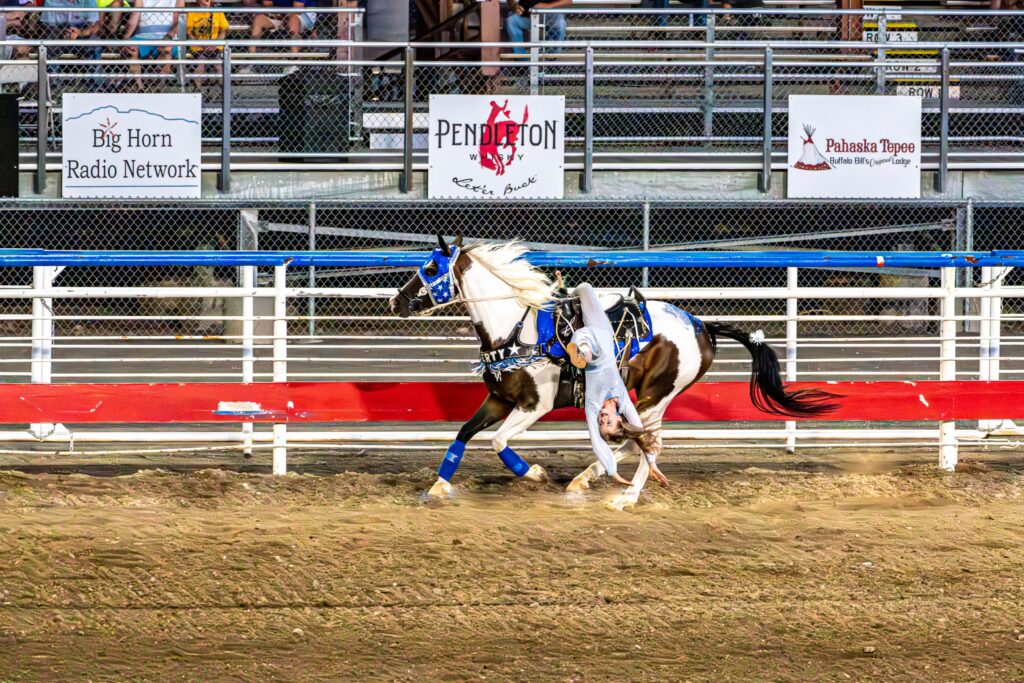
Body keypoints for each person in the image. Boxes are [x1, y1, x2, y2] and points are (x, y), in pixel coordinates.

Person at [565, 282, 665, 487]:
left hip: (589, 349)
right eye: (608, 422)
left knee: (587, 345)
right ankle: (580, 350)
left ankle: (580, 352)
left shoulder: (593, 405)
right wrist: (652, 462)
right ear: (620, 418)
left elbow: (596, 442)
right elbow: (638, 428)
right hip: (602, 337)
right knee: (584, 288)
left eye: (601, 424)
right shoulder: (624, 401)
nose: (602, 419)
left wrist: (613, 472)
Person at [122, 0, 183, 91]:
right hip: (143, 36)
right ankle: (140, 87)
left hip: (168, 36)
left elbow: (180, 20)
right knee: (130, 48)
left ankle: (159, 87)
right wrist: (125, 39)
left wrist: (169, 36)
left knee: (167, 48)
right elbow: (135, 15)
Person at [185, 0, 228, 89]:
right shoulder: (192, 13)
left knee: (218, 65)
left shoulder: (217, 12)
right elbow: (189, 34)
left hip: (214, 46)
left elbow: (224, 30)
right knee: (201, 62)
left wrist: (215, 43)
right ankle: (197, 90)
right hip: (198, 46)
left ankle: (225, 90)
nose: (206, 1)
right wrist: (201, 44)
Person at [249, 0, 316, 56]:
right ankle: (251, 58)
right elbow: (267, 3)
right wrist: (279, 14)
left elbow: (298, 8)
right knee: (258, 19)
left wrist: (284, 15)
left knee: (293, 20)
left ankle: (295, 61)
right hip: (281, 14)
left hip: (304, 14)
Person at [505, 0, 570, 56]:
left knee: (560, 22)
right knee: (511, 21)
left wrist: (547, 6)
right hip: (527, 15)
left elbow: (568, 1)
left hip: (550, 15)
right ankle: (522, 62)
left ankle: (549, 59)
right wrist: (514, 6)